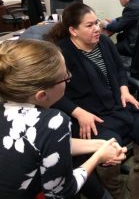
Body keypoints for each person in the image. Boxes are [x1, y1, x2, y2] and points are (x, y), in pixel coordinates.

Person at [45, 2, 139, 199]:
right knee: (110, 146)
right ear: (73, 30)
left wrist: (124, 89)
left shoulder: (103, 42)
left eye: (97, 22)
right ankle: (114, 190)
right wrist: (78, 113)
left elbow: (120, 69)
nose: (97, 28)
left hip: (116, 102)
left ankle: (137, 177)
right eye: (89, 25)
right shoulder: (61, 54)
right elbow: (52, 94)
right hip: (89, 114)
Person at [0, 39, 127, 199]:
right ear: (42, 95)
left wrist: (99, 145)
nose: (70, 77)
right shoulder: (53, 121)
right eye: (65, 77)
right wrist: (98, 157)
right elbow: (62, 192)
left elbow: (41, 143)